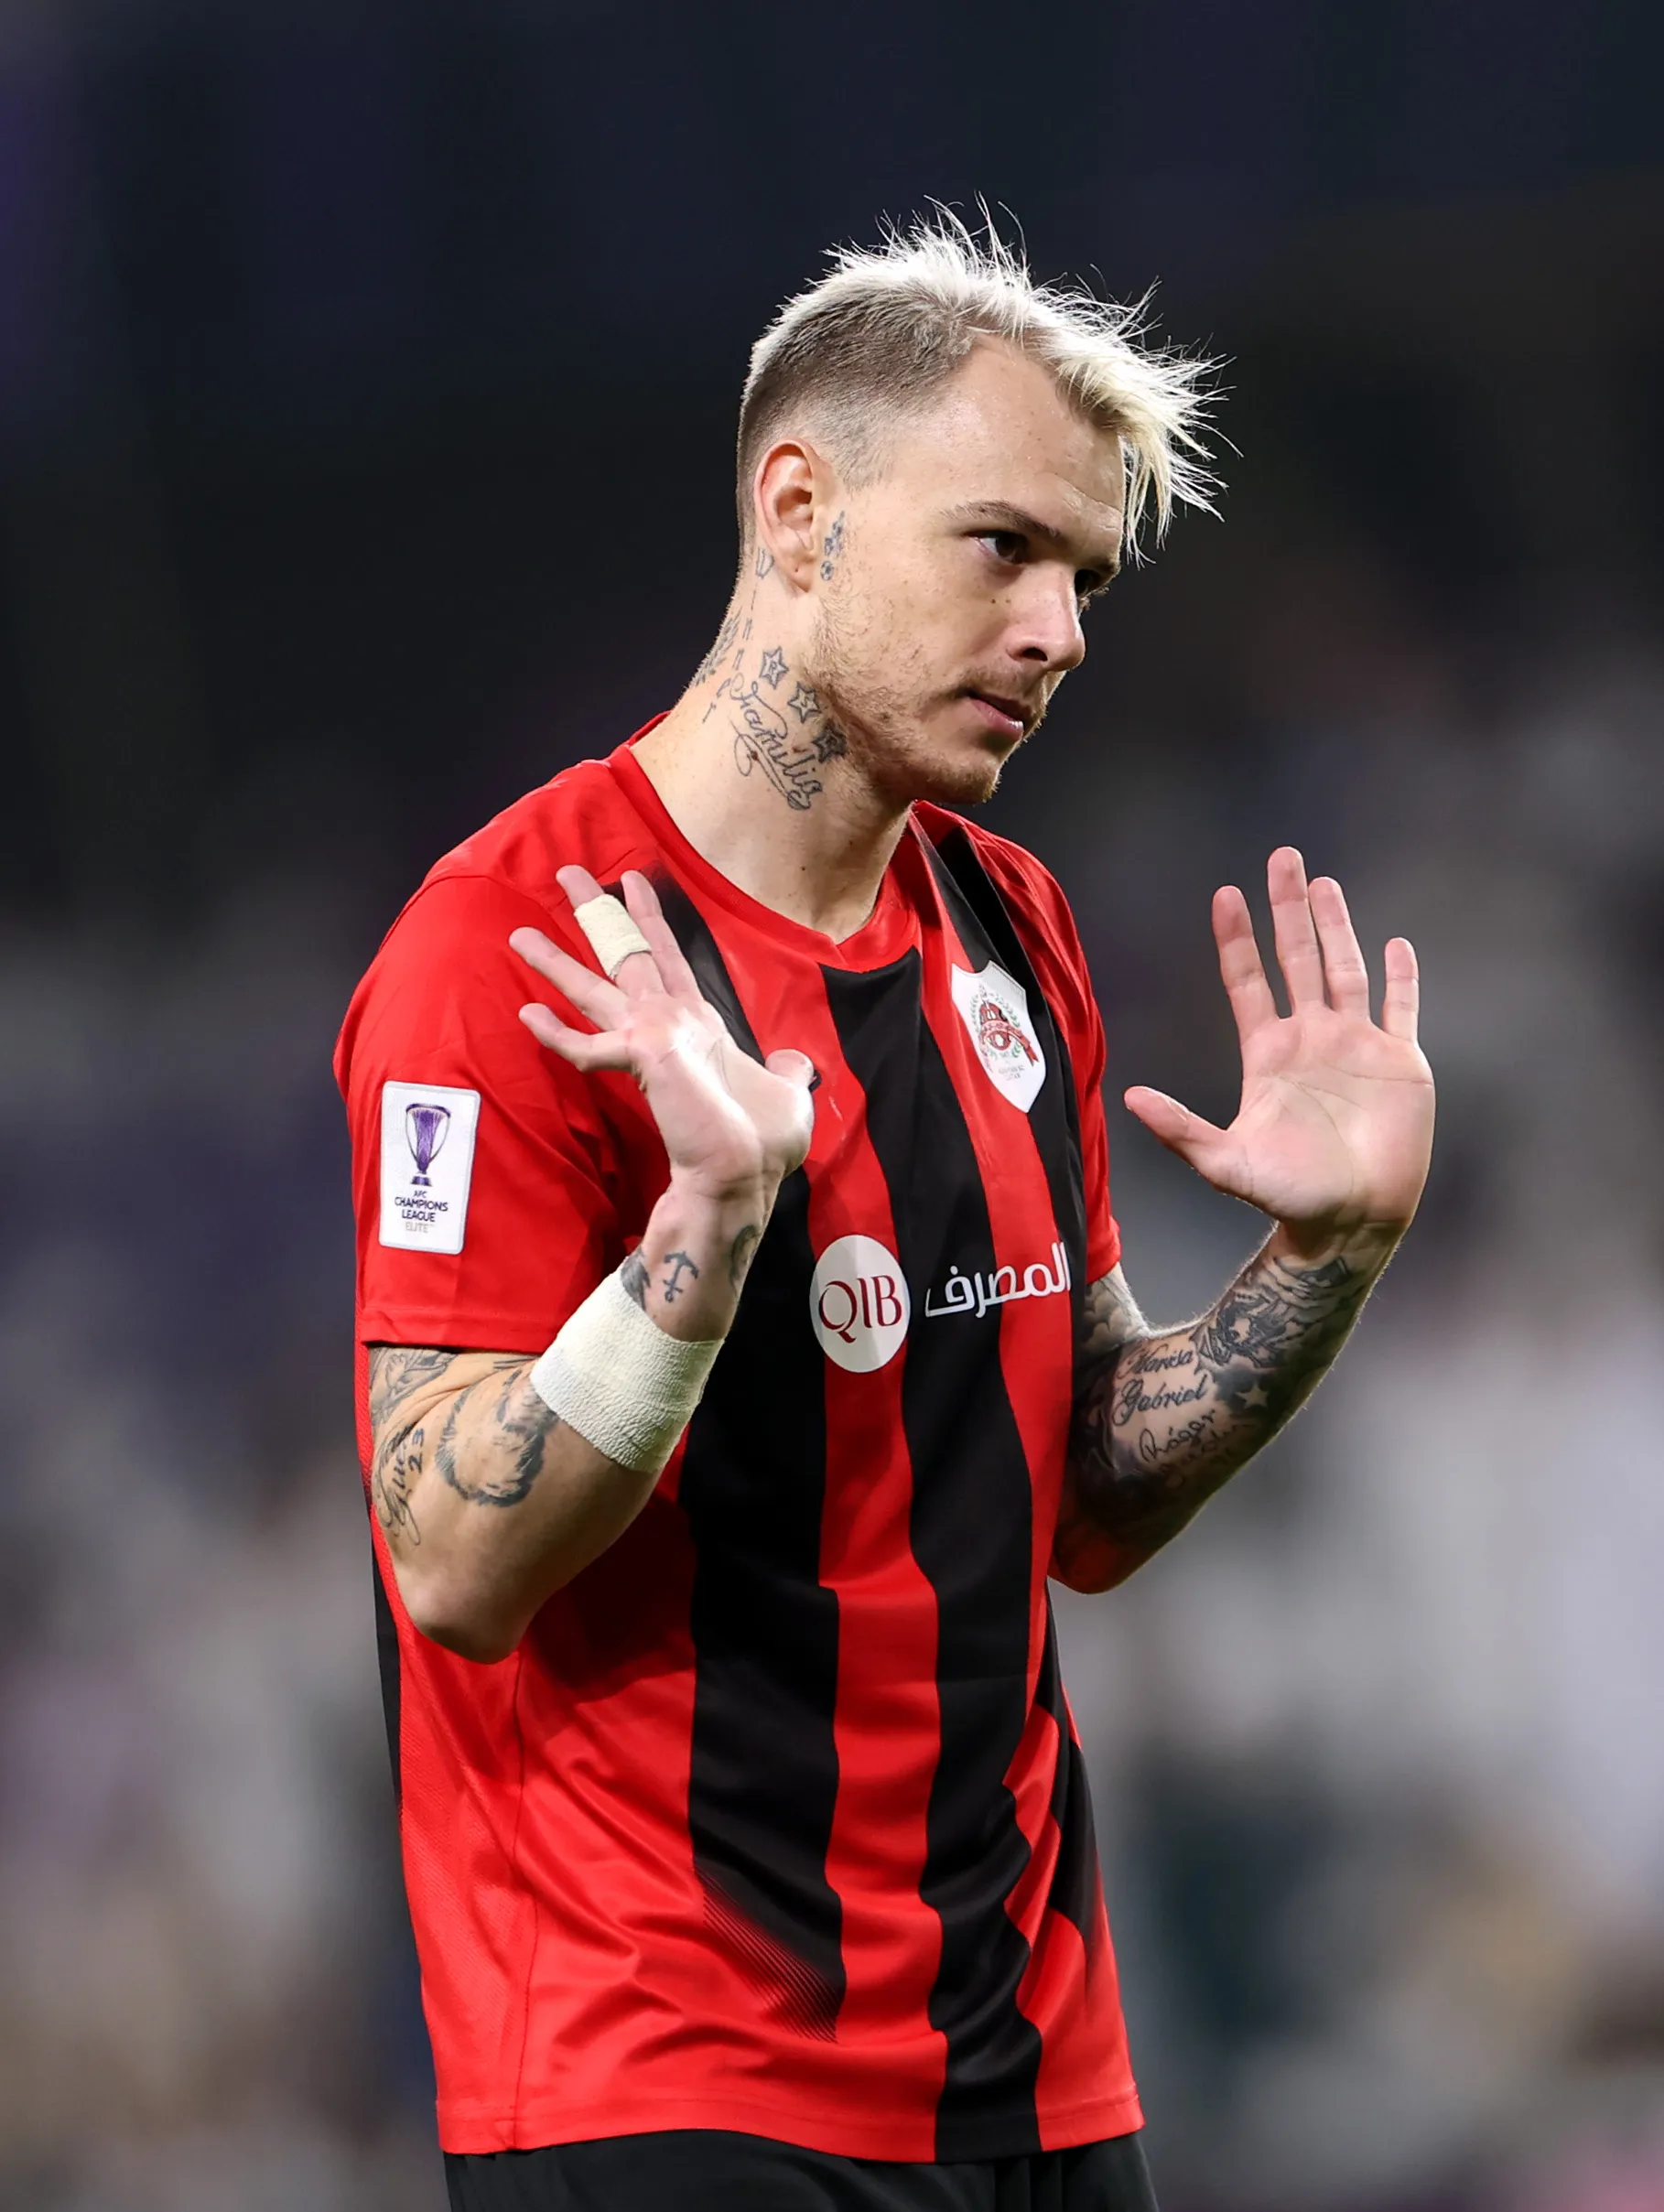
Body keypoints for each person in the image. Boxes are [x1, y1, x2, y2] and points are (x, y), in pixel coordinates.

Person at [336, 217, 1435, 2212]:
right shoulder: (507, 946)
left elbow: (1078, 1490)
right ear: (800, 506)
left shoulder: (1008, 932)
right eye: (1002, 546)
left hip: (1032, 2061)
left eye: (1085, 579)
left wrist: (1324, 1261)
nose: (1064, 630)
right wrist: (704, 1226)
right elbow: (447, 1558)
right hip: (669, 2073)